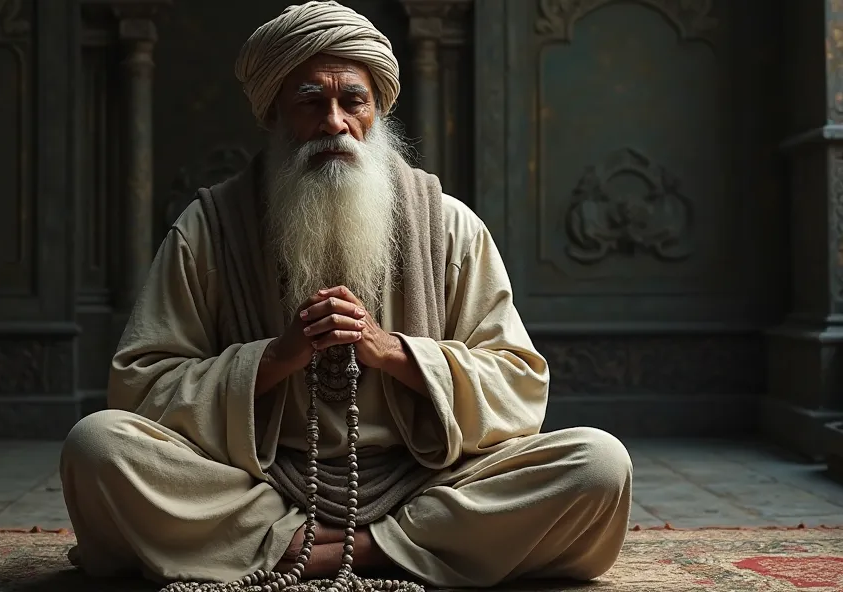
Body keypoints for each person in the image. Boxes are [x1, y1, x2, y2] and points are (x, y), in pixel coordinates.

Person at [59, 1, 632, 587]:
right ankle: (379, 547)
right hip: (256, 486)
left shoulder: (450, 227)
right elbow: (140, 384)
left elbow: (518, 384)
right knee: (98, 447)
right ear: (275, 113)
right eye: (310, 101)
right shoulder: (211, 229)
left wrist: (399, 355)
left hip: (426, 485)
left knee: (598, 465)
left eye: (352, 101)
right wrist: (272, 360)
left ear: (378, 109)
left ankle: (337, 551)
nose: (334, 122)